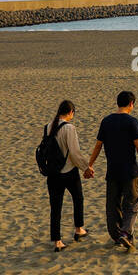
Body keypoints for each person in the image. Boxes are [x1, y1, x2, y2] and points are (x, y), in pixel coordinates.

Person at [85, 91, 138, 251]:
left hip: (113, 172)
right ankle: (125, 234)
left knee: (113, 206)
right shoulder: (132, 122)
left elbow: (98, 145)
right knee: (132, 204)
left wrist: (90, 165)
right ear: (131, 104)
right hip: (130, 171)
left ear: (118, 103)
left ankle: (117, 236)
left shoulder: (106, 121)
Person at [46, 99, 89, 251]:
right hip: (68, 171)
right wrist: (86, 167)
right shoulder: (69, 128)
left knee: (56, 207)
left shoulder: (48, 127)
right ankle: (79, 229)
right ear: (70, 112)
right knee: (78, 198)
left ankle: (57, 241)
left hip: (52, 173)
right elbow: (75, 153)